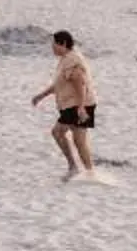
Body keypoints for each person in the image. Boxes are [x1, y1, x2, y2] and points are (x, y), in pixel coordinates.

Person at [31, 29, 100, 182]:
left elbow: (80, 83)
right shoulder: (66, 59)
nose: (52, 48)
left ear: (63, 44)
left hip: (77, 105)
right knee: (79, 141)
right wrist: (41, 96)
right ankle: (90, 173)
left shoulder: (72, 61)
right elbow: (59, 84)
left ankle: (74, 167)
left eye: (54, 45)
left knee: (57, 132)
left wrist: (81, 107)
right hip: (80, 104)